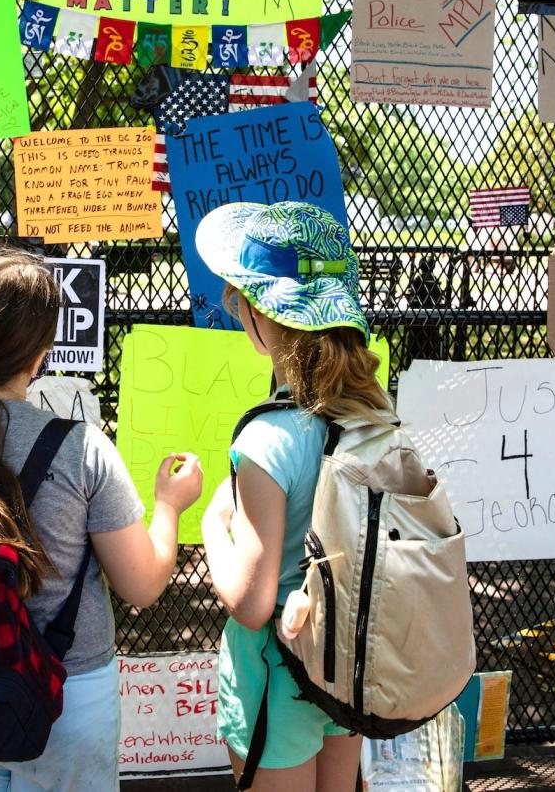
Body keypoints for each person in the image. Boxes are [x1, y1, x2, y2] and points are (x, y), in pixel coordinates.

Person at [0, 250, 203, 792]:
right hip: (66, 700)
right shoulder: (81, 451)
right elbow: (141, 586)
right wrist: (169, 505)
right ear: (40, 354)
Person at [196, 202, 394, 791]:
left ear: (261, 314)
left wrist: (212, 521)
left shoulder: (266, 440)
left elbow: (252, 603)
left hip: (277, 675)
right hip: (350, 665)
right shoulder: (377, 416)